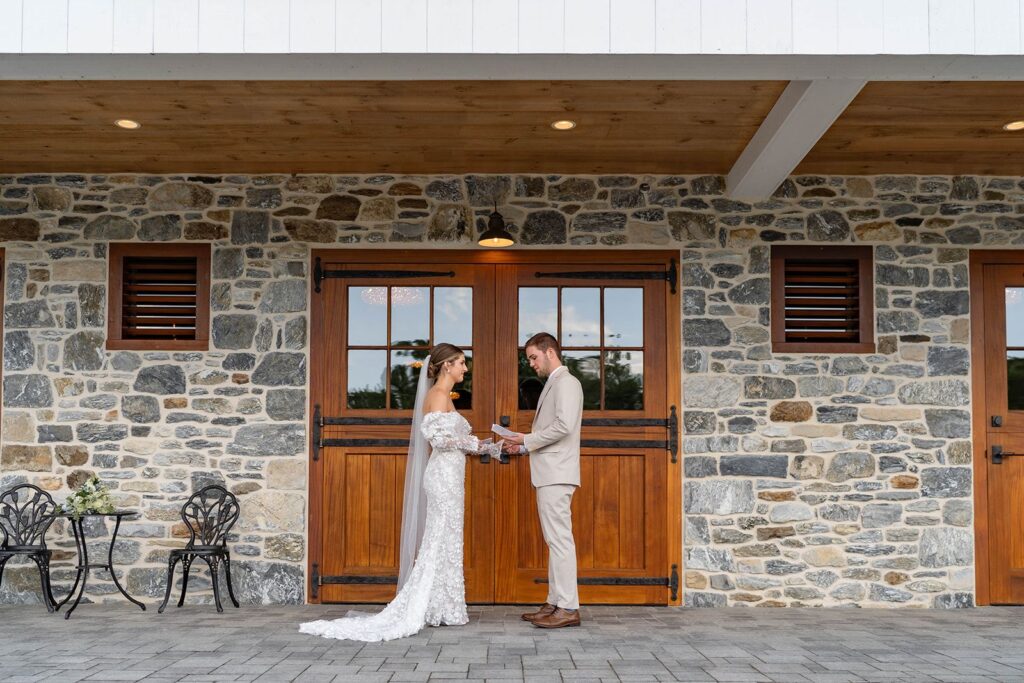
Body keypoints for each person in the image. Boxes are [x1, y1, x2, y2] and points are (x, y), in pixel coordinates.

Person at [299, 343, 502, 642]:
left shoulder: (445, 397)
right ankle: (430, 606)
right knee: (438, 538)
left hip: (451, 475)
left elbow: (455, 438)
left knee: (448, 538)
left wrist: (490, 446)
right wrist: (476, 445)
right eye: (461, 363)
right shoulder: (436, 396)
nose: (465, 368)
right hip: (443, 477)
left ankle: (444, 608)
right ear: (447, 365)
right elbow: (439, 438)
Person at [502, 332, 584, 629]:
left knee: (560, 540)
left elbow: (563, 425)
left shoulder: (567, 383)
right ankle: (554, 602)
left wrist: (528, 438)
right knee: (555, 540)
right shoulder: (555, 383)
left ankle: (568, 608)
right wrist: (522, 447)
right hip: (549, 471)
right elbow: (553, 429)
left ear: (550, 352)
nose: (532, 364)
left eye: (533, 357)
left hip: (557, 473)